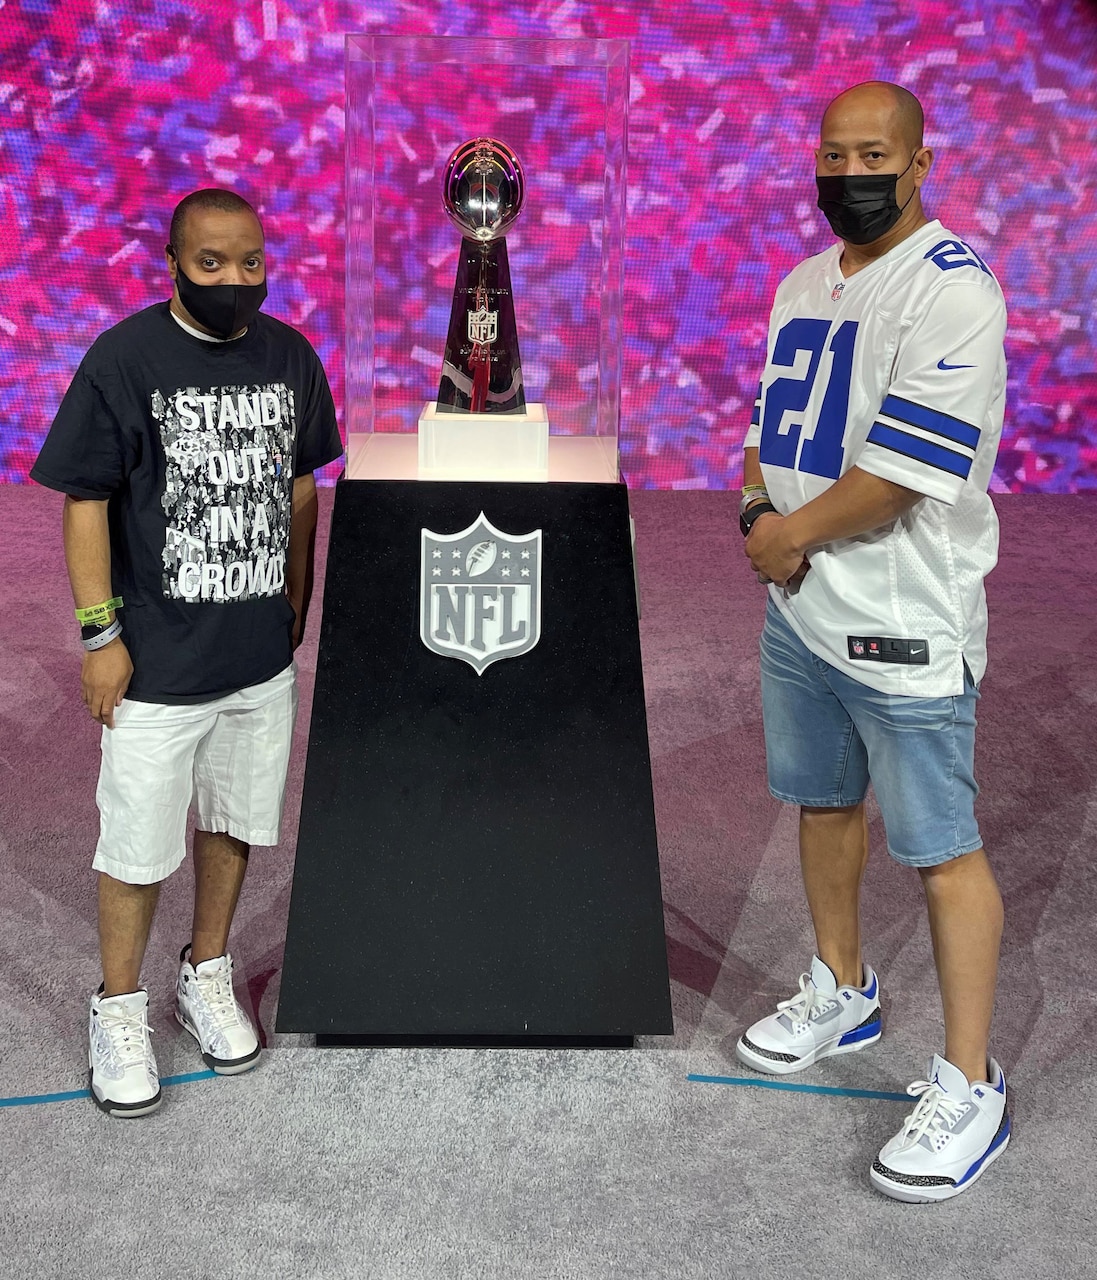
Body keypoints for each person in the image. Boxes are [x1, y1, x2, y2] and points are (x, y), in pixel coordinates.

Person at [737, 82, 1009, 1201]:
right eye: (832, 152)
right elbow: (759, 429)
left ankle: (968, 1081)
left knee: (941, 848)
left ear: (916, 161)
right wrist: (756, 515)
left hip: (899, 620)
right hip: (800, 608)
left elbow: (904, 471)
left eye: (872, 153)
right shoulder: (804, 282)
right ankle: (841, 989)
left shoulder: (954, 290)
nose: (848, 172)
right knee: (821, 801)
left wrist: (784, 535)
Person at [31, 188, 343, 1117]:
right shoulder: (125, 359)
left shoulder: (290, 355)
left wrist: (295, 597)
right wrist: (101, 636)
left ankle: (205, 967)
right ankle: (118, 1004)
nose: (233, 281)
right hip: (157, 665)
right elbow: (83, 497)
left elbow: (299, 488)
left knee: (234, 821)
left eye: (250, 263)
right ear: (171, 261)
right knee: (135, 840)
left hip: (256, 661)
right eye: (211, 263)